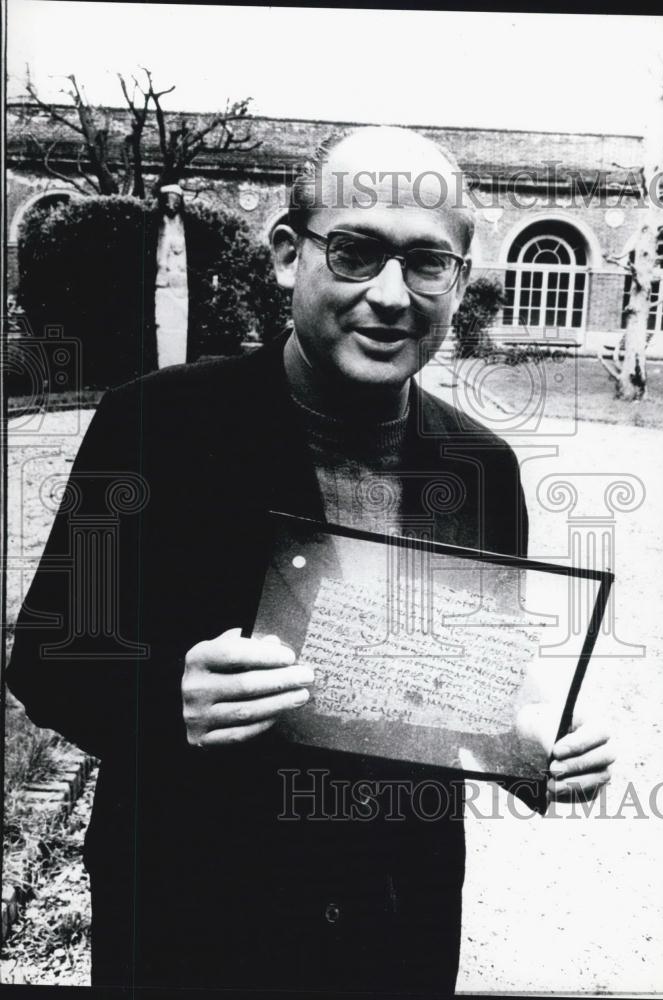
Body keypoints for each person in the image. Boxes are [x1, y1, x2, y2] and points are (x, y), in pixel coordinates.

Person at [7, 126, 613, 994]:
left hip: (396, 919)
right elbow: (46, 659)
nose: (392, 296)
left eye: (427, 264)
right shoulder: (158, 425)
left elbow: (452, 692)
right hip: (193, 920)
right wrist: (166, 699)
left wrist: (527, 750)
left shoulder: (481, 469)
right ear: (290, 255)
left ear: (460, 281)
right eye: (357, 253)